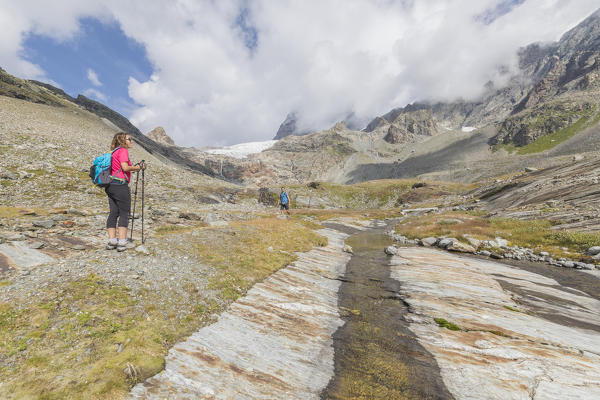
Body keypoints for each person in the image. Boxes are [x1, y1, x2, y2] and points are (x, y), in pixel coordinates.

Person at [105, 132, 145, 251]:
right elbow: (125, 168)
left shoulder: (114, 152)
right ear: (123, 140)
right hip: (120, 185)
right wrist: (138, 167)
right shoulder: (123, 151)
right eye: (129, 139)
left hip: (110, 185)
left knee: (113, 212)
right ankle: (122, 242)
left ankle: (112, 241)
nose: (131, 141)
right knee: (124, 212)